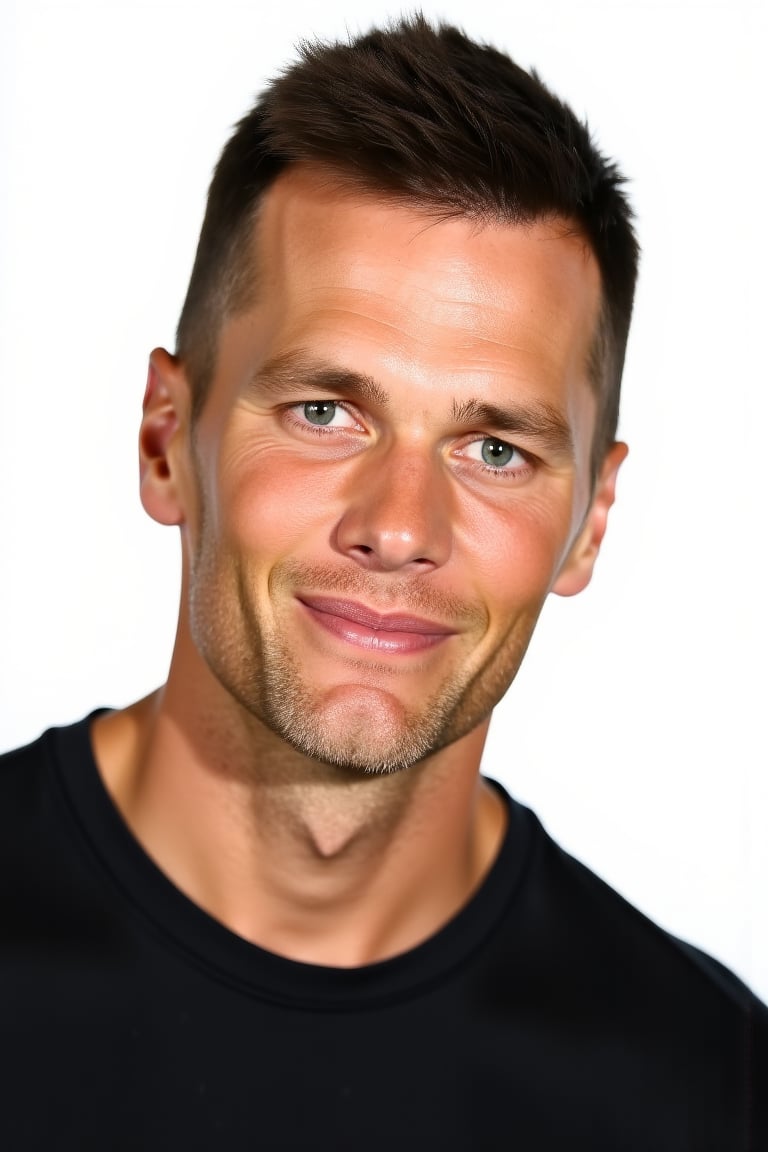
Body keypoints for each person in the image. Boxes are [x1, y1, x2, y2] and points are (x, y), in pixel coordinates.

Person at [1, 15, 765, 1149]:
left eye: (495, 448)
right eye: (325, 412)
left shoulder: (706, 1093)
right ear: (168, 440)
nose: (400, 527)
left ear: (590, 523)